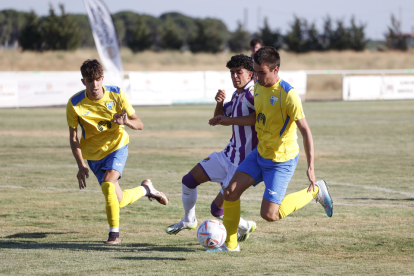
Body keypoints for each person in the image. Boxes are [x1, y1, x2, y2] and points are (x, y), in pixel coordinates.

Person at [208, 46, 333, 252]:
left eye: (261, 72)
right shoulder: (257, 85)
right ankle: (230, 246)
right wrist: (227, 120)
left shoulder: (288, 95)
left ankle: (316, 191)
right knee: (230, 191)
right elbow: (257, 117)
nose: (256, 76)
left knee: (269, 215)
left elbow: (305, 131)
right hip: (259, 154)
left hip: (281, 160)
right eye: (255, 71)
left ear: (275, 69)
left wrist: (311, 166)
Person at [67, 59, 168, 245]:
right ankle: (146, 189)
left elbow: (139, 124)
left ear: (102, 78)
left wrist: (126, 123)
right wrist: (81, 164)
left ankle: (114, 235)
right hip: (93, 156)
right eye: (89, 80)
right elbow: (73, 138)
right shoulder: (75, 104)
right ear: (83, 82)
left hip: (117, 147)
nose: (94, 84)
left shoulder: (117, 95)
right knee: (117, 199)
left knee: (108, 184)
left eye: (97, 79)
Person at [165, 54, 258, 242]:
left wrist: (228, 120)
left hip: (241, 164)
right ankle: (189, 220)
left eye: (238, 72)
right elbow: (220, 117)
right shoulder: (238, 93)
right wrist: (219, 103)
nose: (234, 76)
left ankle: (246, 226)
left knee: (217, 209)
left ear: (250, 73)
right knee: (188, 180)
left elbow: (258, 118)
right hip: (227, 155)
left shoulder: (252, 93)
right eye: (232, 73)